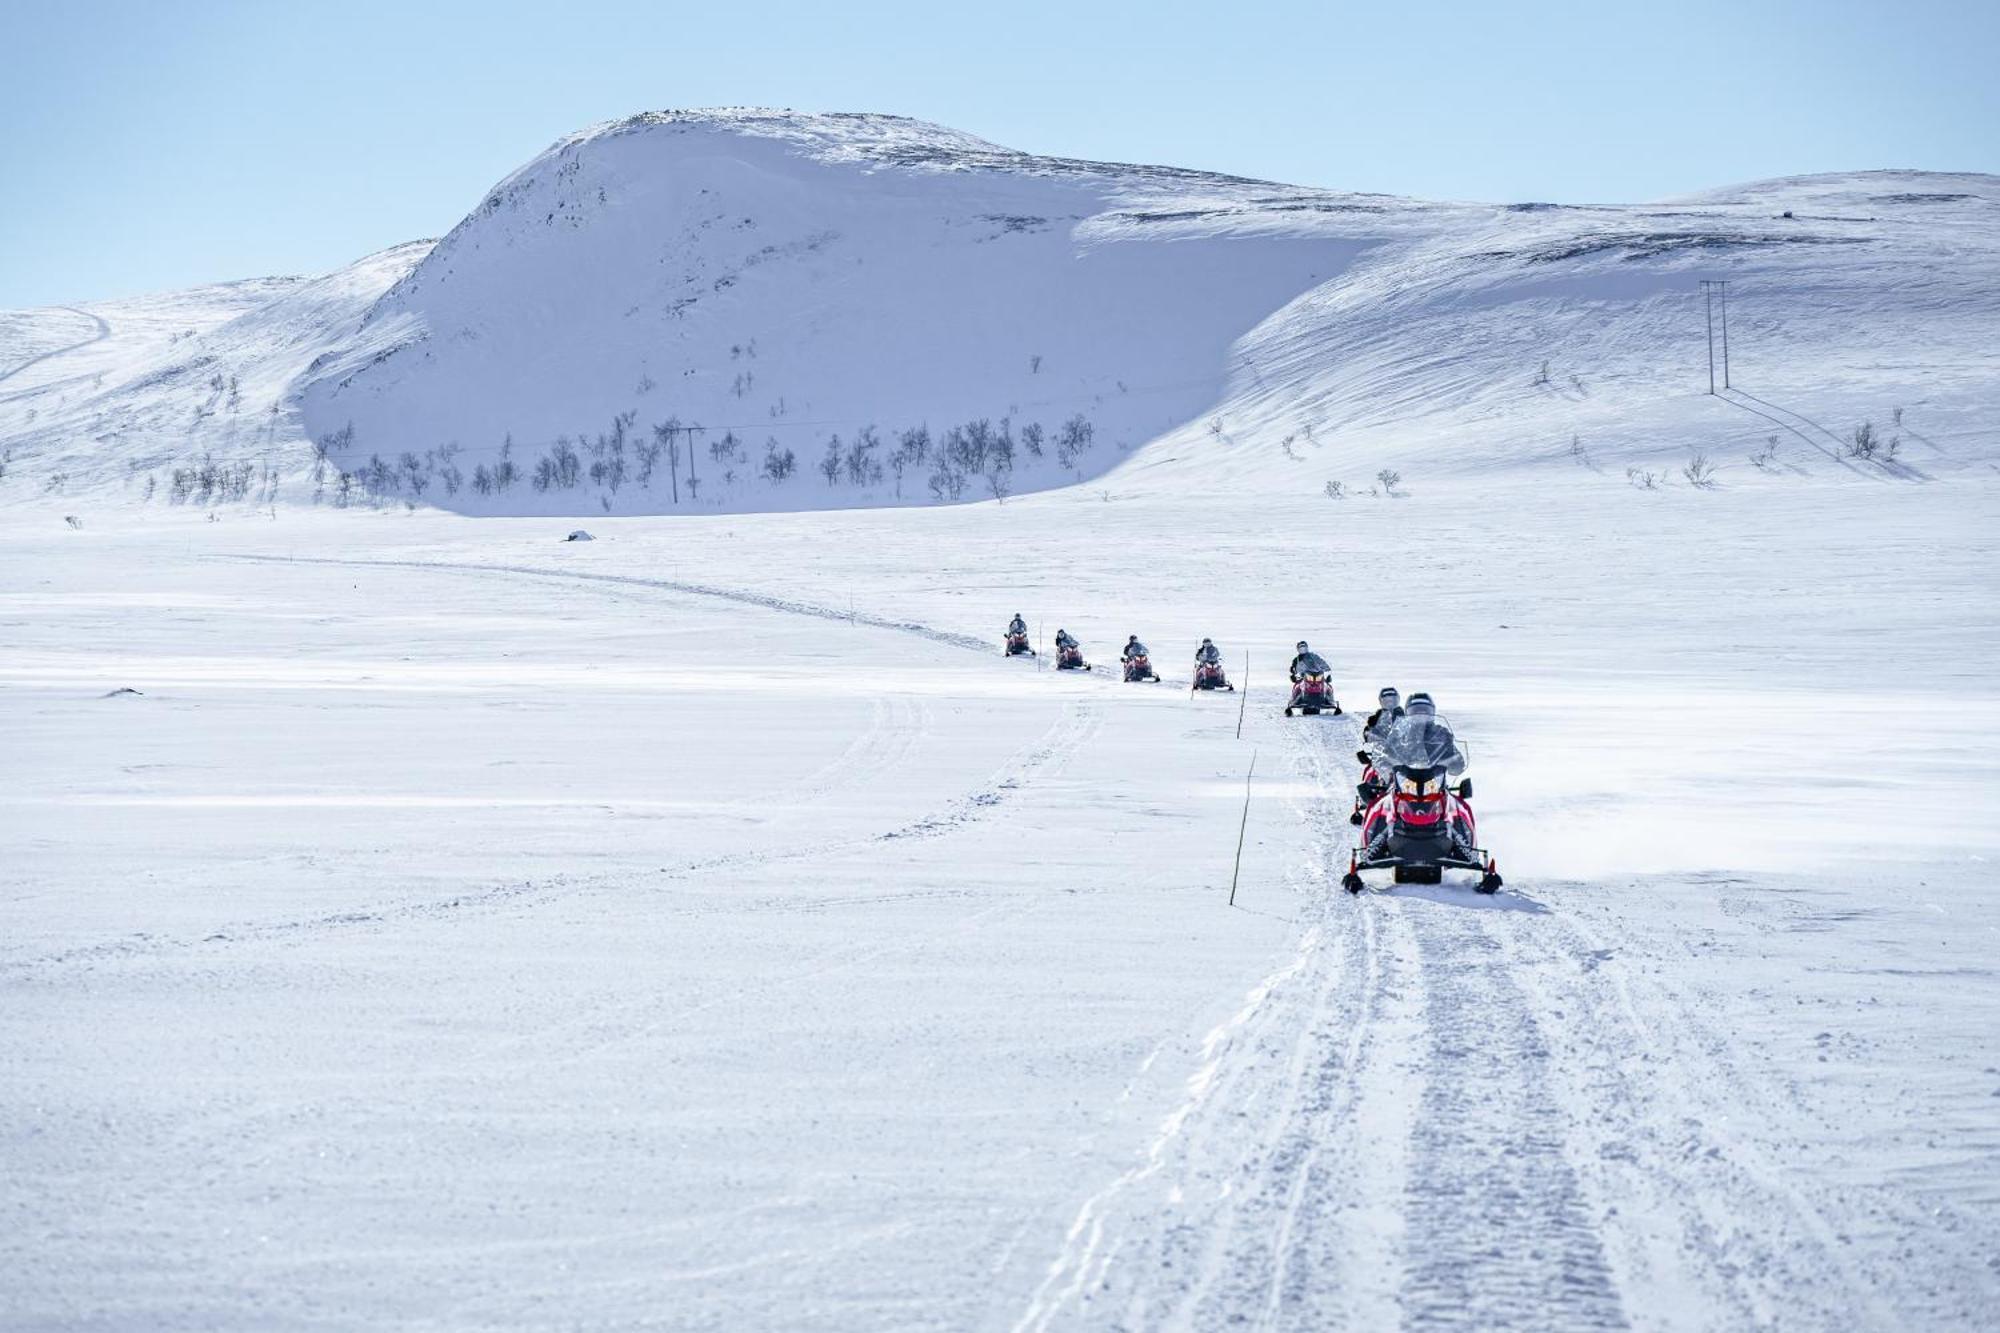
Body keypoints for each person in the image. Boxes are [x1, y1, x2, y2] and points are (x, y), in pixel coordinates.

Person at [1369, 691, 1468, 780]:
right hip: (1404, 780)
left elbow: (1454, 755)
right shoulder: (1400, 733)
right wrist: (1386, 765)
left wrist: (1455, 764)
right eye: (1415, 712)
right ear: (1408, 713)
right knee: (1380, 795)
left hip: (1434, 781)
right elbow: (1386, 753)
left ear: (1432, 712)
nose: (1420, 715)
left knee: (1453, 798)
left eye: (1425, 711)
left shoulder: (1442, 734)